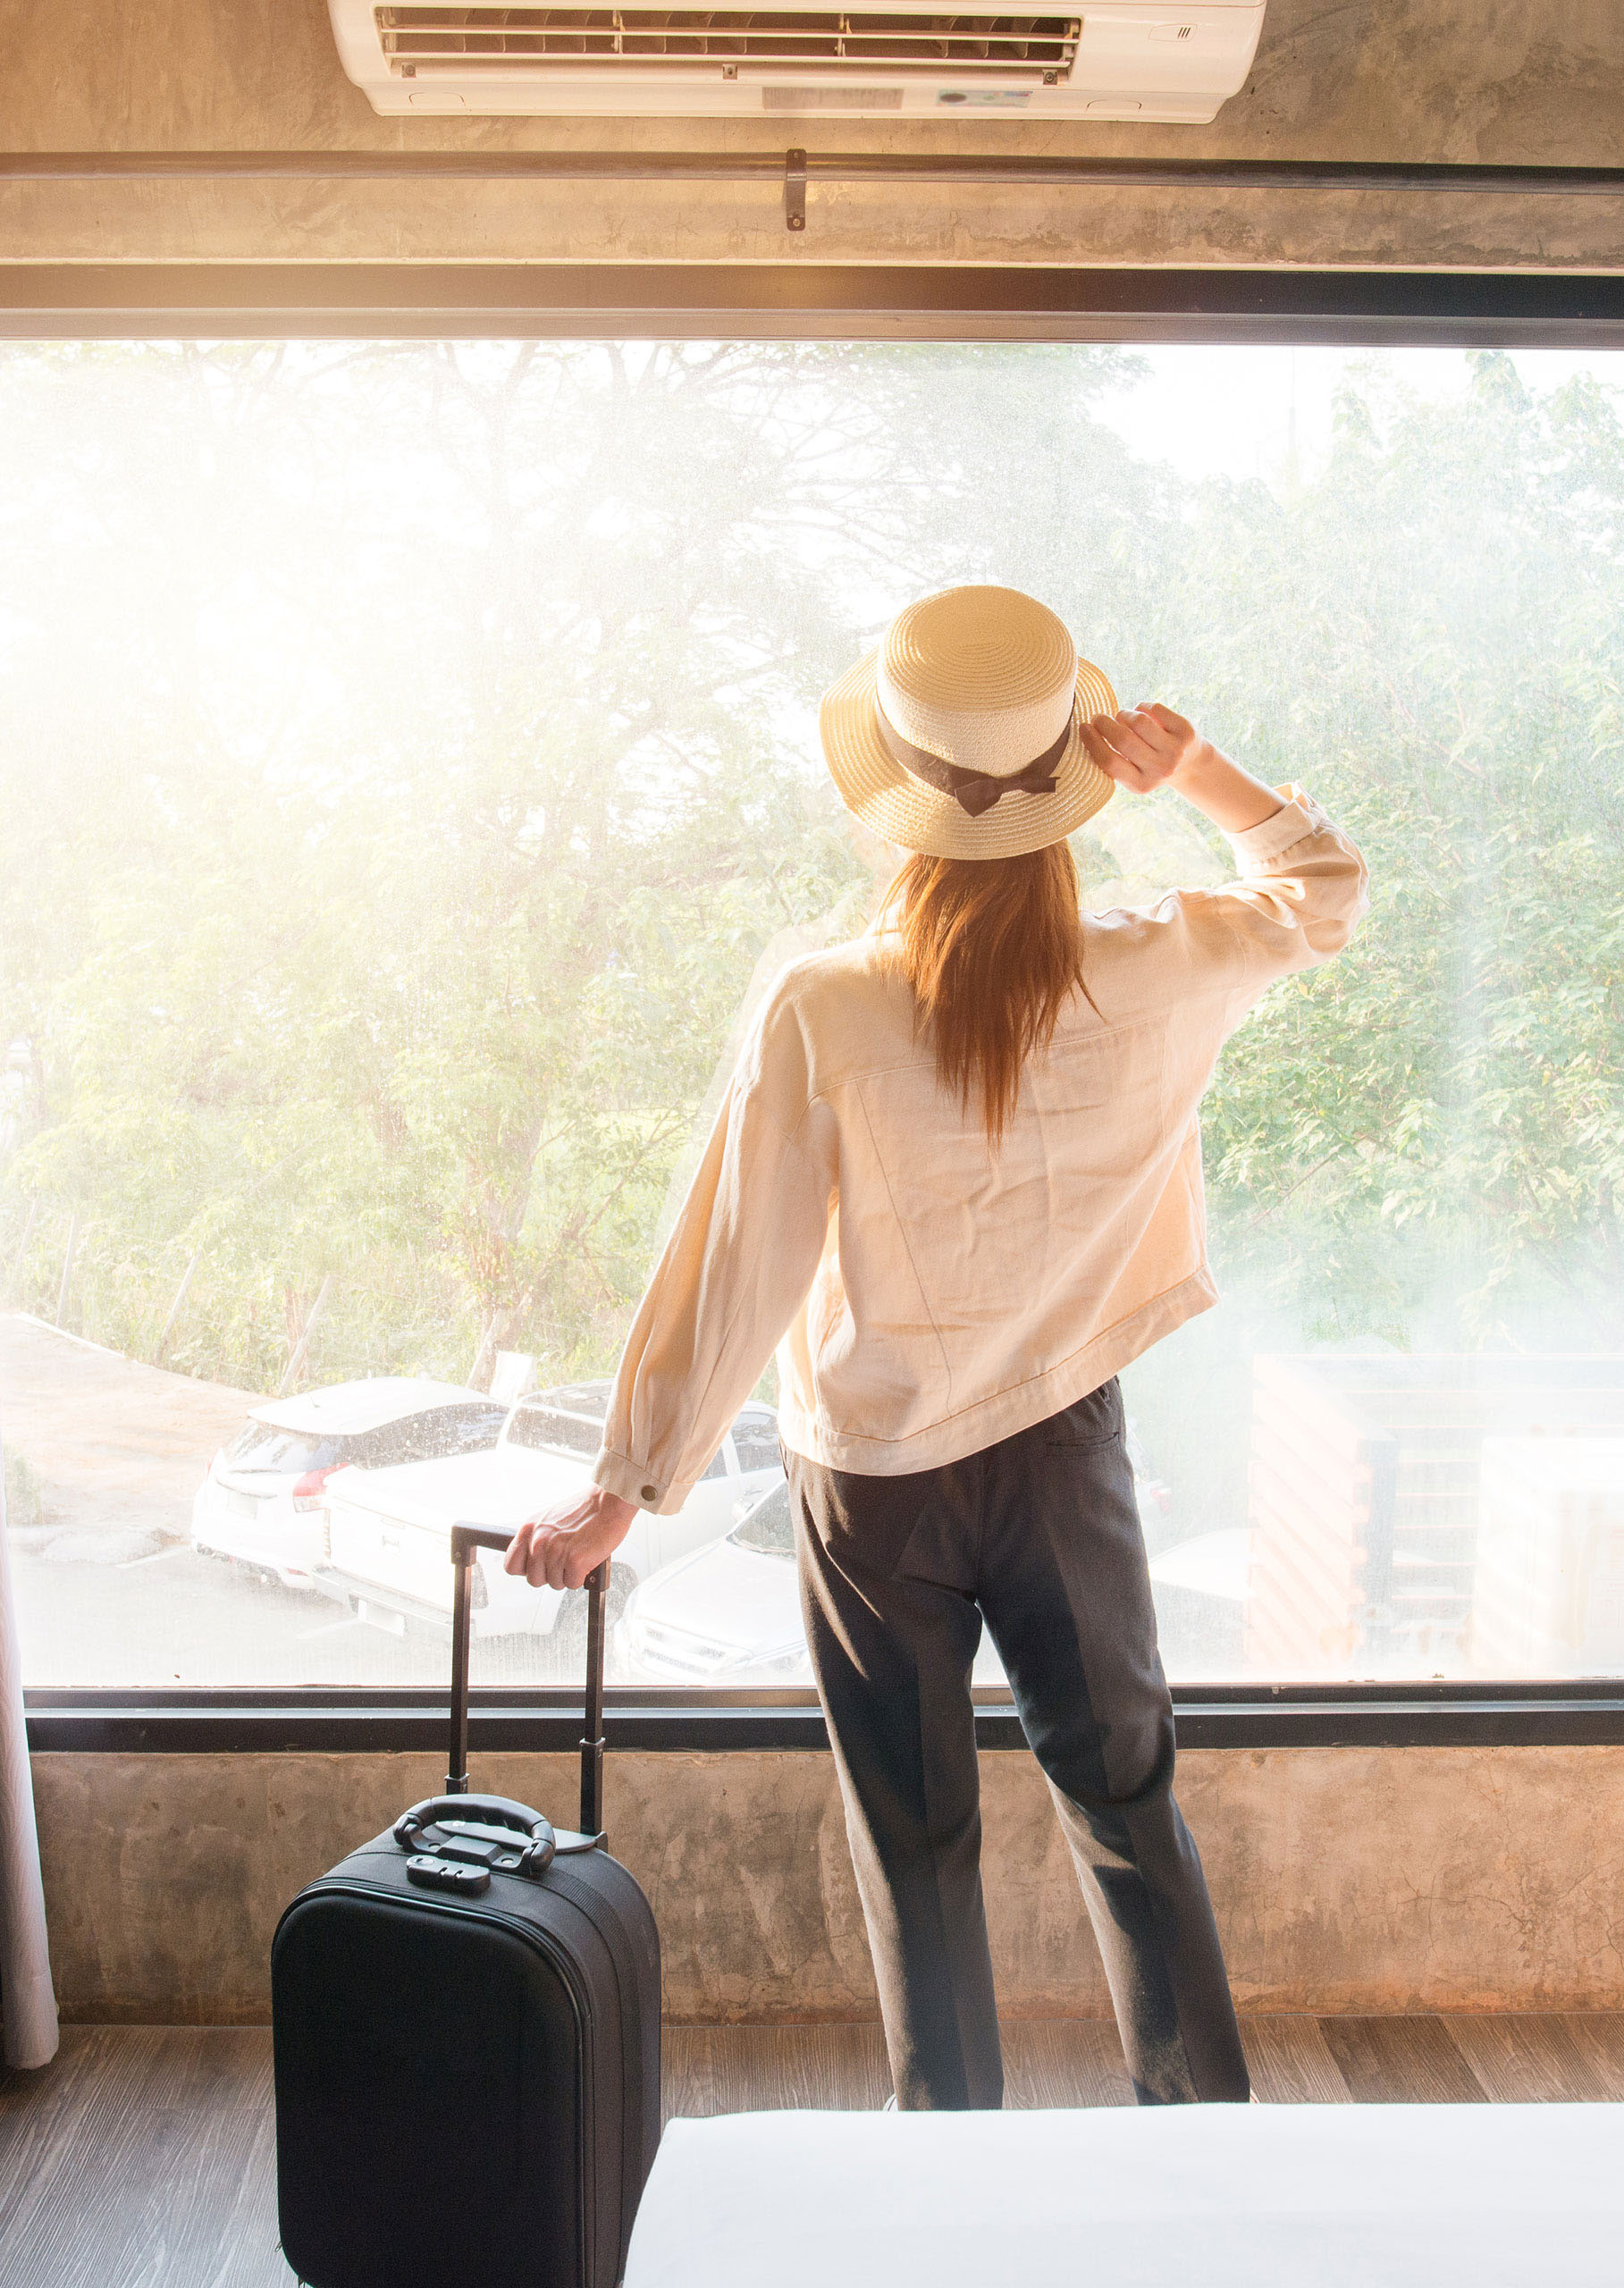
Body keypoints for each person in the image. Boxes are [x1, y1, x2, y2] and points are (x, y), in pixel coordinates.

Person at [509, 582, 1367, 2110]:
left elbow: (736, 1265)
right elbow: (1321, 893)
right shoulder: (1154, 964)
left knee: (913, 1840)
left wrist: (624, 1493)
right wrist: (1205, 773)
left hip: (875, 1485)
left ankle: (946, 2168)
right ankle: (1212, 2157)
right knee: (1129, 1810)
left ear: (900, 805)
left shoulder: (826, 1002)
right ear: (1075, 791)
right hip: (1064, 1457)